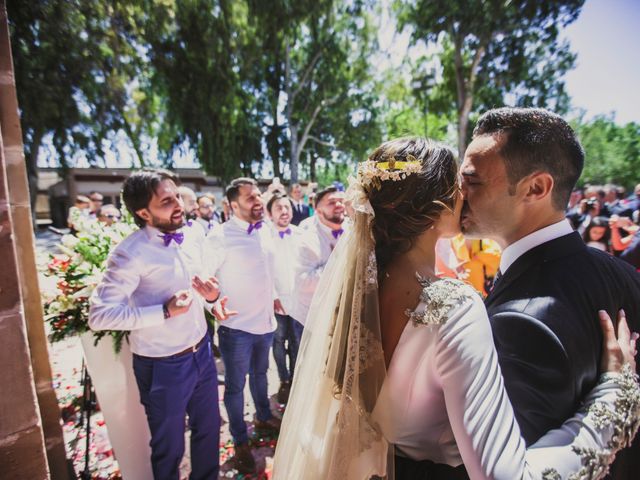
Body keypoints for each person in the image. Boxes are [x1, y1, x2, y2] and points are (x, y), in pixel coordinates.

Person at [272, 137, 640, 480]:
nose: (467, 195)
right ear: (436, 207)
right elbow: (505, 475)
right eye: (460, 185)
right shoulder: (452, 306)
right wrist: (613, 396)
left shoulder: (351, 300)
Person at [457, 107, 640, 479]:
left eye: (472, 181)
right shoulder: (623, 273)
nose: (457, 194)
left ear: (536, 188)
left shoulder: (519, 321)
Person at [89, 169, 221, 480]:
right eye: (166, 201)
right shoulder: (129, 253)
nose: (178, 204)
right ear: (143, 212)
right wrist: (162, 312)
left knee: (209, 431)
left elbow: (201, 291)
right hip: (163, 365)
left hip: (202, 351)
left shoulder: (192, 234)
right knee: (169, 448)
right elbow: (99, 316)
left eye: (177, 195)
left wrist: (213, 298)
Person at [205, 177, 283, 475]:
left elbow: (266, 271)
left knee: (261, 375)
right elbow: (203, 279)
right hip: (236, 326)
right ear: (232, 205)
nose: (257, 202)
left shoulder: (265, 230)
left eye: (258, 196)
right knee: (236, 386)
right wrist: (213, 306)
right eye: (250, 198)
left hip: (265, 322)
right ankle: (239, 441)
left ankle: (263, 417)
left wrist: (275, 297)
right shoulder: (219, 237)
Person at [289, 186, 346, 329]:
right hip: (311, 319)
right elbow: (303, 281)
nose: (339, 205)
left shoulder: (352, 229)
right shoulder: (306, 238)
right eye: (332, 202)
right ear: (319, 211)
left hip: (341, 315)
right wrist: (337, 262)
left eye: (340, 201)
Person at [267, 193, 303, 404]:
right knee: (279, 342)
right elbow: (263, 271)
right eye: (279, 207)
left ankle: (297, 380)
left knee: (298, 341)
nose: (284, 211)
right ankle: (284, 380)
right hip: (276, 301)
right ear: (270, 213)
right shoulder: (265, 237)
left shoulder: (300, 234)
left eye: (287, 207)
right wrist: (273, 296)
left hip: (298, 300)